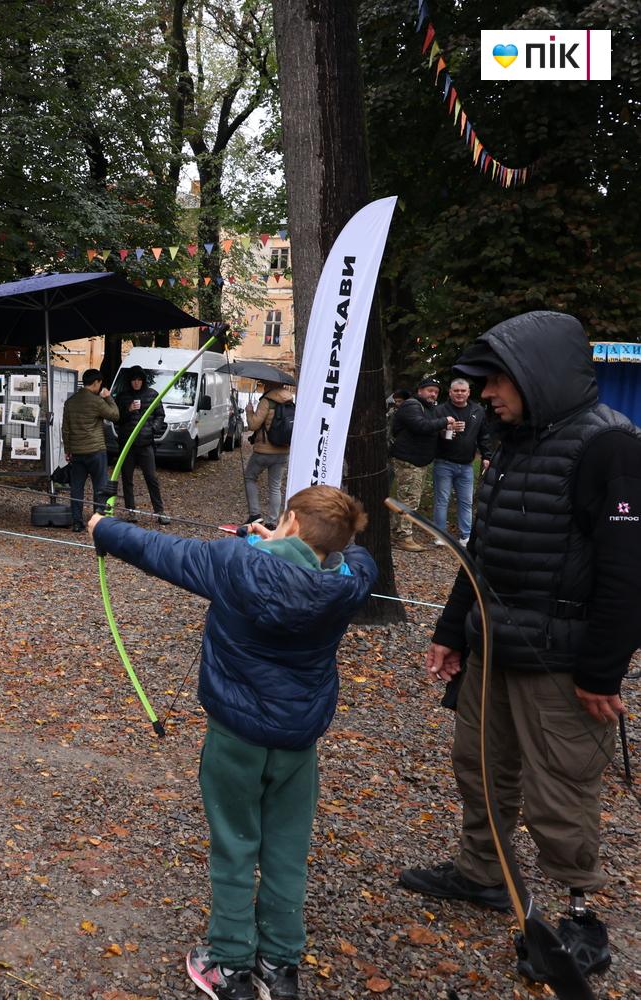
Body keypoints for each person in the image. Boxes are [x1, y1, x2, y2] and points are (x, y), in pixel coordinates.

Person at [398, 311, 641, 987]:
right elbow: (482, 552)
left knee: (559, 786)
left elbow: (630, 572)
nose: (484, 394)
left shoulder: (610, 448)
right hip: (492, 648)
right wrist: (453, 629)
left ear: (540, 374)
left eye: (497, 379)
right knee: (479, 762)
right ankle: (482, 872)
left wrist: (600, 670)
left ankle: (578, 915)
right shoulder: (512, 442)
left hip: (560, 663)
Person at [88, 486, 376, 1000]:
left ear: (288, 518)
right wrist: (288, 543)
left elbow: (162, 552)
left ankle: (231, 966)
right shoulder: (349, 584)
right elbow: (353, 557)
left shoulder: (234, 564)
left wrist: (102, 528)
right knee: (287, 849)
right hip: (297, 744)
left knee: (235, 847)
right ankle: (281, 965)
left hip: (236, 737)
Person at [388, 376, 456, 551]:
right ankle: (403, 537)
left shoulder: (428, 408)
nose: (433, 394)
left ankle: (398, 532)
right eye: (429, 390)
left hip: (418, 460)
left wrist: (443, 433)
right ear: (420, 391)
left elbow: (427, 430)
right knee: (409, 500)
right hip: (409, 460)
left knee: (408, 498)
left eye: (436, 392)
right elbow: (421, 426)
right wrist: (445, 421)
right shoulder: (412, 405)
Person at [430, 377, 492, 545]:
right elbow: (430, 431)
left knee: (466, 501)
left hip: (467, 465)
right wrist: (445, 430)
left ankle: (466, 536)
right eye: (456, 391)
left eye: (462, 391)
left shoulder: (478, 410)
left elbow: (483, 435)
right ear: (450, 392)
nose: (459, 394)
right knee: (442, 501)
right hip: (444, 462)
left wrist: (487, 456)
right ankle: (440, 535)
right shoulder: (441, 410)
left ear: (468, 393)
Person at [62, 368, 119, 532]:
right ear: (96, 383)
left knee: (77, 488)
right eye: (100, 384)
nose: (100, 387)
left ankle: (77, 522)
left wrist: (68, 449)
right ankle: (98, 522)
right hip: (96, 451)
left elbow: (65, 429)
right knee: (100, 487)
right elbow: (115, 415)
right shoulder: (96, 401)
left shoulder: (70, 402)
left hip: (77, 452)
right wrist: (108, 398)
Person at [113, 366, 169, 523]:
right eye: (133, 380)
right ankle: (131, 511)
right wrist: (128, 410)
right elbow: (116, 418)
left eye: (139, 380)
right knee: (127, 479)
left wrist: (152, 429)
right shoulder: (123, 396)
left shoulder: (152, 394)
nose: (136, 383)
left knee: (151, 478)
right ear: (129, 381)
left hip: (146, 443)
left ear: (143, 380)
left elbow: (160, 415)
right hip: (127, 444)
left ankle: (159, 512)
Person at [242, 380, 293, 528]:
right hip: (283, 450)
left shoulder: (267, 401)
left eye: (264, 384)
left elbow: (253, 425)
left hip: (264, 450)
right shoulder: (290, 401)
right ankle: (272, 522)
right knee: (275, 486)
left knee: (250, 477)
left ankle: (255, 515)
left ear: (270, 385)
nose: (263, 386)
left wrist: (249, 411)